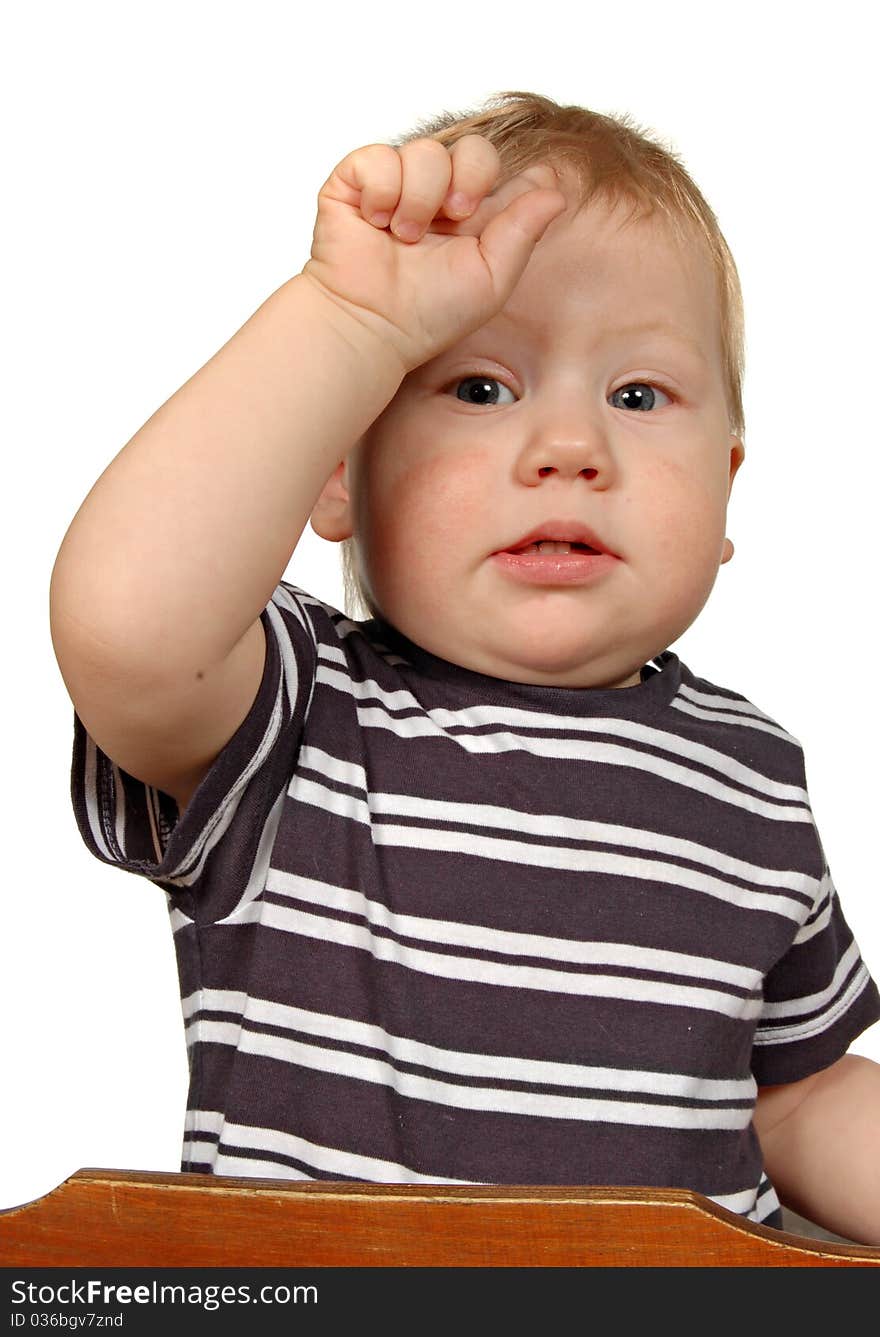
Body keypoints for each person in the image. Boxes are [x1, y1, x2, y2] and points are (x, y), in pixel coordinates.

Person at [49, 90, 880, 1243]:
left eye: (638, 396)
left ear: (728, 483)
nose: (571, 448)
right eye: (480, 388)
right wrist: (343, 323)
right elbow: (127, 624)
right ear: (332, 474)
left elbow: (793, 1096)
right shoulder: (299, 716)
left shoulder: (752, 776)